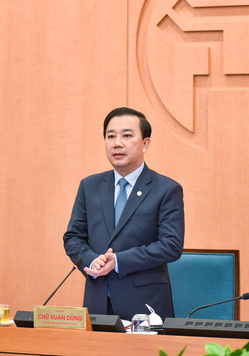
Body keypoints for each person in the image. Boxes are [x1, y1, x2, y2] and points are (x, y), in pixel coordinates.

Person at [63, 107, 185, 320]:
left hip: (146, 306)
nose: (117, 143)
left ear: (145, 143)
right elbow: (73, 237)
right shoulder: (89, 186)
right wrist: (92, 261)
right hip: (97, 302)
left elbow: (171, 246)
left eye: (127, 135)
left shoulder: (166, 189)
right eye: (111, 136)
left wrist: (118, 260)